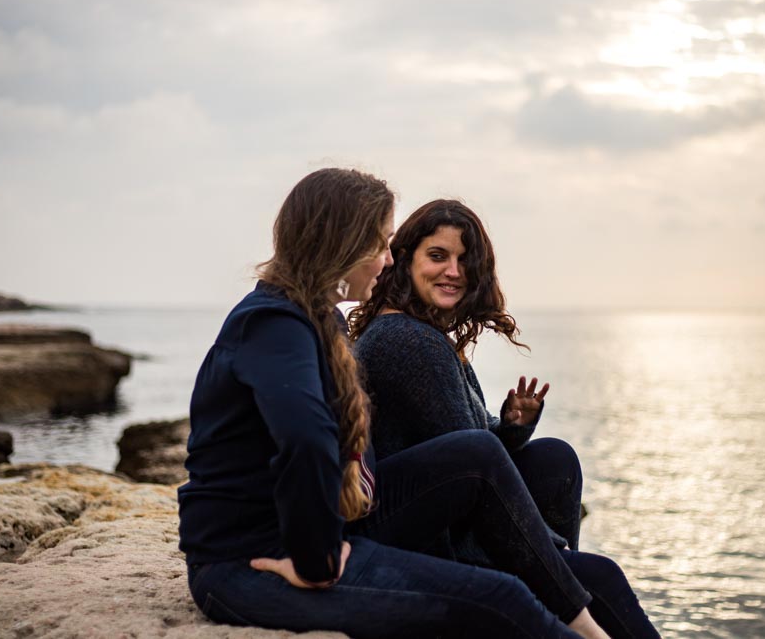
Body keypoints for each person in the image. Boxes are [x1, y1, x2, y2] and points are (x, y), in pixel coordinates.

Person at [177, 168, 617, 639]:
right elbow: (306, 439)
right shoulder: (273, 323)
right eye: (382, 244)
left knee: (485, 460)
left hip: (318, 533)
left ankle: (579, 615)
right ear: (341, 243)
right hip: (247, 564)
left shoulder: (319, 320)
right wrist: (317, 559)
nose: (388, 260)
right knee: (502, 599)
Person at [349, 199, 660, 638]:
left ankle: (554, 586)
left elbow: (468, 448)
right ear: (403, 262)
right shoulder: (408, 341)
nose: (454, 271)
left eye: (464, 260)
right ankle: (558, 595)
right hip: (422, 533)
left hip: (447, 503)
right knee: (600, 576)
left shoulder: (423, 333)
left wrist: (512, 428)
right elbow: (472, 467)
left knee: (553, 458)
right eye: (437, 256)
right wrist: (548, 561)